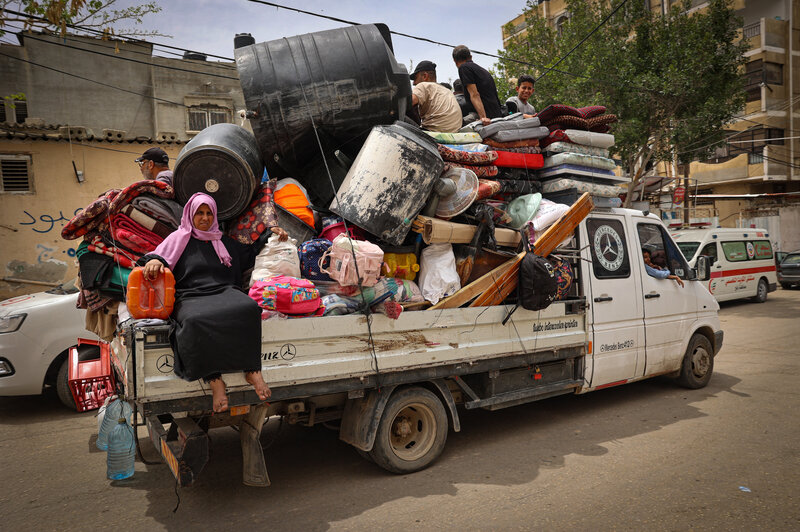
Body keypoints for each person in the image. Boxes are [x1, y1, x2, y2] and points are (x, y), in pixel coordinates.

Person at [140, 192, 289, 412]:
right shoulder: (178, 238)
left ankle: (253, 371)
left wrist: (270, 233)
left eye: (209, 213)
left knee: (248, 308)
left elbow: (249, 253)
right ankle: (214, 380)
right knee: (194, 320)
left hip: (225, 291)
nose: (204, 218)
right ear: (190, 214)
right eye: (199, 213)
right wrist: (153, 260)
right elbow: (156, 257)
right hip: (190, 296)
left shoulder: (223, 241)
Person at [452, 45, 503, 125]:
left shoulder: (464, 68)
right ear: (471, 57)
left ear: (455, 61)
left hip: (484, 116)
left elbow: (474, 94)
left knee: (453, 125)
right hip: (497, 115)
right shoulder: (484, 71)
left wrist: (483, 117)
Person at [409, 60, 462, 133]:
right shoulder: (447, 91)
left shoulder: (423, 85)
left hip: (432, 131)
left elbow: (407, 103)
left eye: (415, 78)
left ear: (425, 76)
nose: (414, 83)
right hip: (453, 132)